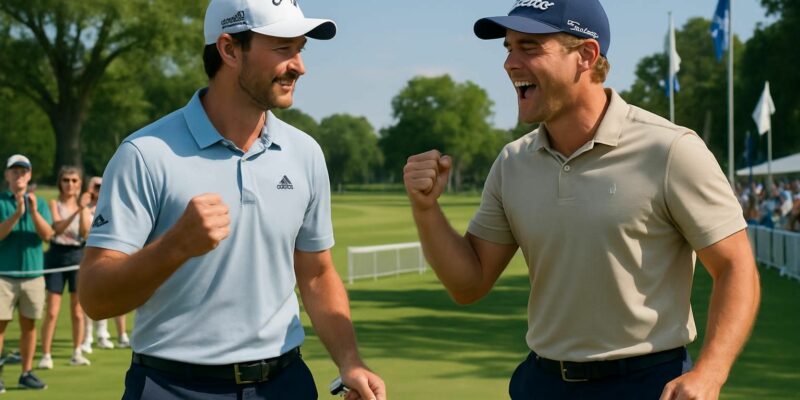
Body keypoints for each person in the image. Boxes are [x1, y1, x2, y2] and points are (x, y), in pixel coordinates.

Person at [403, 1, 760, 399]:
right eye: (508, 48)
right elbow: (467, 284)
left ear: (586, 55)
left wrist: (711, 372)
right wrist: (426, 209)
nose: (510, 63)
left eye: (530, 47)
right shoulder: (513, 162)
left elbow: (736, 267)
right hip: (541, 383)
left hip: (646, 384)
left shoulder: (670, 149)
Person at [79, 1, 386, 399]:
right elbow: (95, 297)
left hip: (286, 384)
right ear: (229, 49)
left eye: (300, 49)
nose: (299, 66)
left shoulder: (305, 153)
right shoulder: (145, 153)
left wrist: (350, 361)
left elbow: (316, 273)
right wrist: (174, 246)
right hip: (172, 387)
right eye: (282, 48)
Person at [0, 154, 52, 390]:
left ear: (29, 175)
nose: (19, 174)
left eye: (23, 171)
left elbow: (47, 235)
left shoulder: (39, 203)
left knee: (29, 326)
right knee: (0, 326)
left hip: (33, 274)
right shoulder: (1, 202)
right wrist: (16, 214)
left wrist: (31, 212)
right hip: (4, 275)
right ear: (7, 175)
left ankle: (26, 372)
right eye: (15, 171)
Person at [38, 166, 92, 369]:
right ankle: (46, 354)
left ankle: (77, 351)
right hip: (56, 256)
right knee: (52, 311)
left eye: (74, 181)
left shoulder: (83, 207)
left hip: (77, 256)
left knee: (78, 311)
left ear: (80, 184)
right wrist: (78, 210)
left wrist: (83, 209)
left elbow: (84, 233)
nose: (70, 184)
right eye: (66, 180)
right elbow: (56, 228)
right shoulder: (55, 204)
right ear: (60, 183)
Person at [80, 176, 130, 354]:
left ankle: (111, 335)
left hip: (110, 255)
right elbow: (85, 232)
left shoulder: (111, 206)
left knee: (115, 295)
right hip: (88, 256)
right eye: (96, 186)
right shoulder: (86, 208)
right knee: (90, 298)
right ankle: (88, 337)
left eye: (102, 185)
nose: (99, 189)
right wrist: (83, 207)